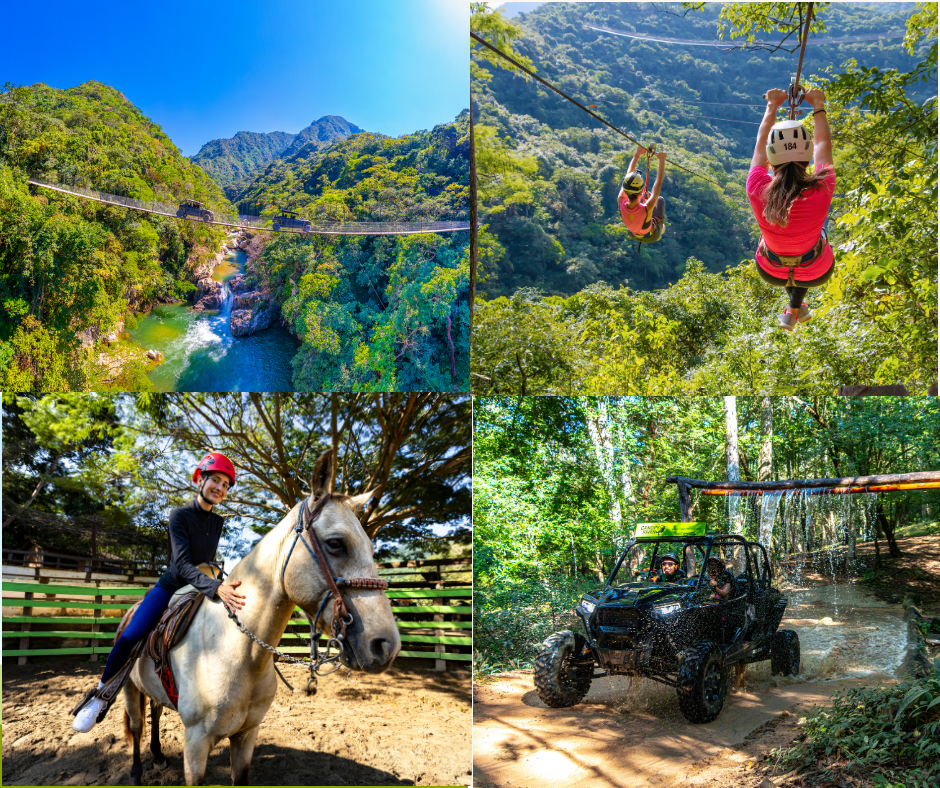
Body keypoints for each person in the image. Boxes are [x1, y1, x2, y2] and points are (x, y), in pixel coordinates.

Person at [72, 452, 246, 733]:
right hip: (172, 585)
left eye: (226, 484)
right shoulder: (179, 515)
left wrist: (219, 581)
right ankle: (100, 697)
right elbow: (183, 564)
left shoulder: (217, 522)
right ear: (199, 480)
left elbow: (207, 561)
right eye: (215, 480)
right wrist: (215, 587)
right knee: (129, 635)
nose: (221, 488)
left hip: (201, 585)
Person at [747, 87, 835, 330]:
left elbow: (759, 146)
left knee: (789, 247)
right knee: (813, 242)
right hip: (818, 271)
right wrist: (816, 103)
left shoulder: (757, 188)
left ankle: (794, 308)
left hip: (770, 271)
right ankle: (795, 307)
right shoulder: (822, 185)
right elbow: (822, 143)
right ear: (807, 159)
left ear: (771, 158)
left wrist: (772, 105)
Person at [619, 144, 668, 244]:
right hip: (652, 235)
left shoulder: (621, 200)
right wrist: (661, 159)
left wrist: (637, 154)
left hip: (633, 232)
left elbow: (628, 175)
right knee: (660, 200)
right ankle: (661, 227)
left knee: (650, 197)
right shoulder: (646, 208)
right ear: (641, 191)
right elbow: (658, 182)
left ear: (625, 189)